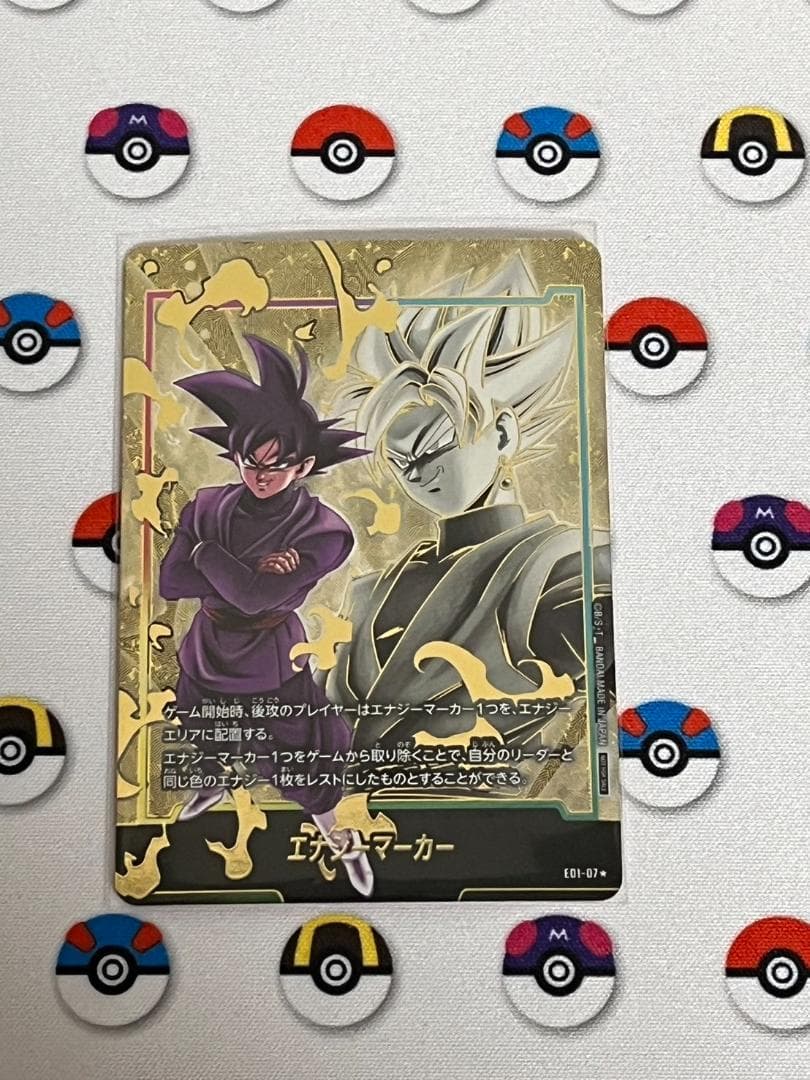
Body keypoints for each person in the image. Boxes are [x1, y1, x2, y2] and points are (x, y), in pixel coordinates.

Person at [159, 335, 373, 896]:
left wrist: (207, 554)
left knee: (299, 761)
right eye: (251, 462)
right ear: (236, 457)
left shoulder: (324, 530)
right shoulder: (207, 505)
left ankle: (340, 840)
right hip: (207, 649)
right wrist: (236, 567)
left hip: (271, 659)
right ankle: (212, 784)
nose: (261, 475)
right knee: (204, 730)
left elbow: (255, 601)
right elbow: (171, 581)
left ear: (304, 466)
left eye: (277, 466)